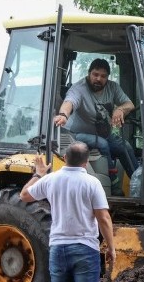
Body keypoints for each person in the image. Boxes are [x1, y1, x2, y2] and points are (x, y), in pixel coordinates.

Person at [20, 142, 115, 282]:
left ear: (64, 157)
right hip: (85, 249)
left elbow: (24, 195)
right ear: (86, 161)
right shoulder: (92, 182)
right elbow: (103, 218)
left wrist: (38, 174)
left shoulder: (51, 180)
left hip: (58, 249)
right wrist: (111, 247)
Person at [54, 58, 138, 196]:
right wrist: (63, 115)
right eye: (95, 74)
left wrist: (121, 110)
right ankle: (113, 184)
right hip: (77, 135)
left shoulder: (112, 87)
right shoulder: (79, 88)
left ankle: (138, 182)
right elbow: (70, 101)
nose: (98, 79)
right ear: (89, 73)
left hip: (103, 133)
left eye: (103, 76)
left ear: (107, 77)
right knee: (103, 144)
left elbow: (130, 104)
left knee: (125, 147)